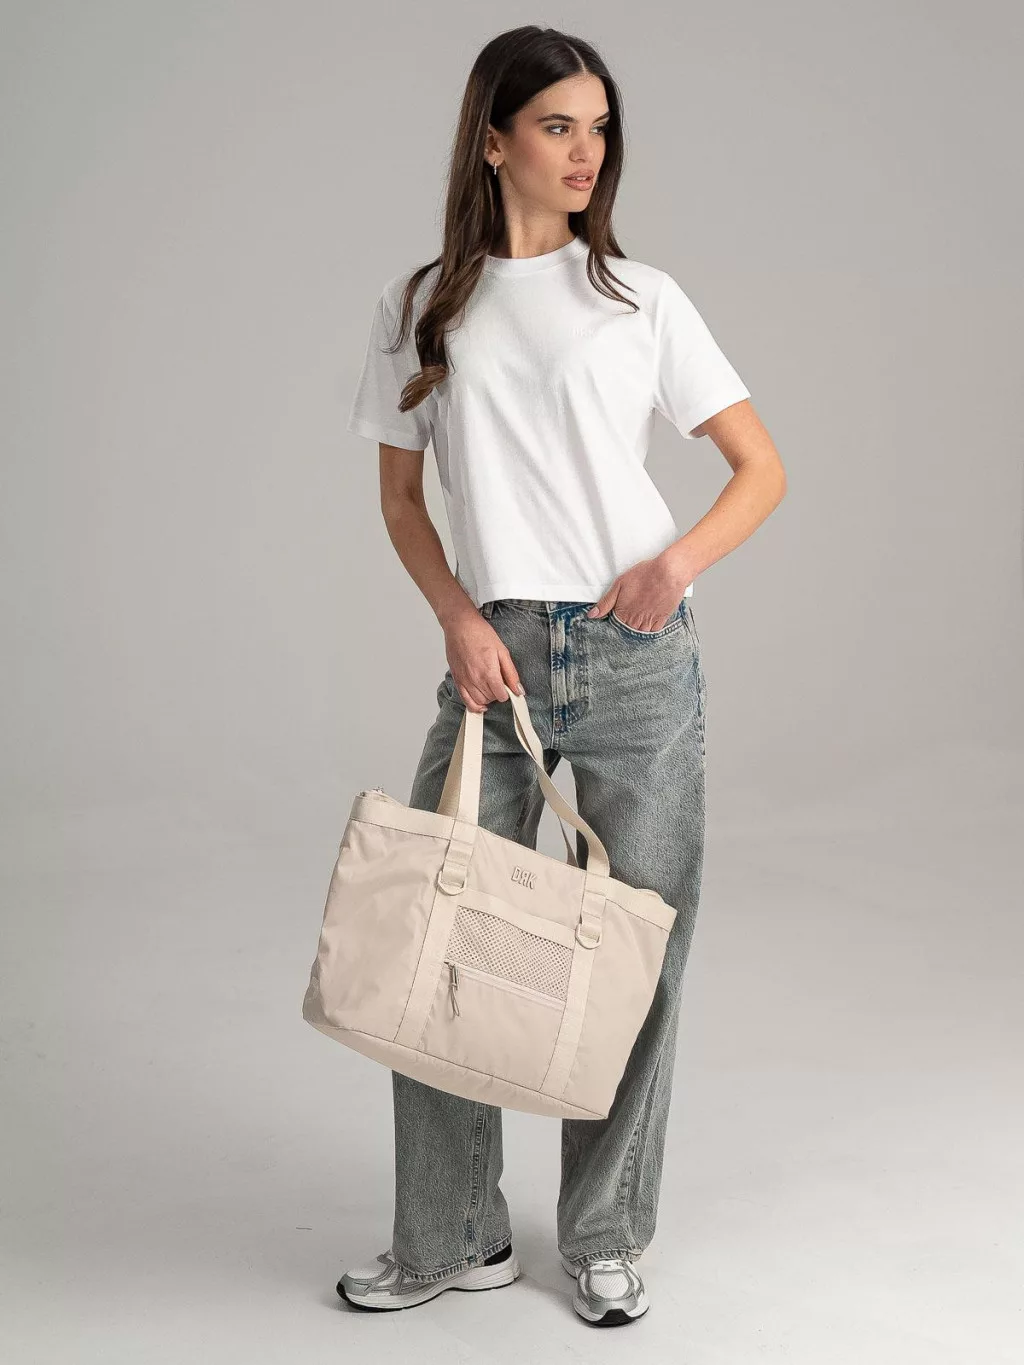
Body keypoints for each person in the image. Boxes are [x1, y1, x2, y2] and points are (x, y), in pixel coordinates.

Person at [335, 25, 786, 1326]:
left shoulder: (642, 299)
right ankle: (451, 1234)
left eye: (599, 128)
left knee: (640, 950)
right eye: (557, 127)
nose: (586, 153)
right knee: (441, 937)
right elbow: (403, 502)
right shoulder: (422, 303)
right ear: (493, 140)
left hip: (639, 654)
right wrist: (455, 619)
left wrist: (674, 565)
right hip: (496, 657)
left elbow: (761, 469)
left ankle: (603, 1237)